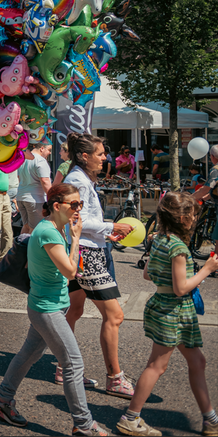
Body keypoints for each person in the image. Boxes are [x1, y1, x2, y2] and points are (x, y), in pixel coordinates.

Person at [0, 183, 110, 436]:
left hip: (48, 305)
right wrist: (75, 239)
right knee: (73, 363)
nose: (78, 209)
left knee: (28, 356)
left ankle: (1, 399)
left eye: (80, 204)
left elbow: (65, 274)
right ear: (56, 206)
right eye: (74, 204)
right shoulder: (50, 232)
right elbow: (69, 272)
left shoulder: (55, 227)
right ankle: (84, 424)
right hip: (47, 309)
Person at [115, 192, 218, 437]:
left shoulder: (160, 239)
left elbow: (147, 274)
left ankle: (210, 420)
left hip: (165, 307)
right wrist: (206, 270)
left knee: (197, 362)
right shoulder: (179, 248)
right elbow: (181, 288)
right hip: (174, 311)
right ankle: (131, 417)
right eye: (192, 214)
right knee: (157, 365)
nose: (195, 218)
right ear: (182, 217)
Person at [63, 132, 135, 398]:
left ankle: (64, 367)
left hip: (87, 249)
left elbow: (86, 221)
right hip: (87, 254)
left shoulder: (81, 179)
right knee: (114, 316)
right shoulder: (77, 180)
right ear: (85, 155)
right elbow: (75, 220)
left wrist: (106, 233)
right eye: (101, 154)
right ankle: (115, 378)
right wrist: (111, 225)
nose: (106, 158)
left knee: (74, 309)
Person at [17, 140, 53, 235]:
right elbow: (45, 181)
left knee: (26, 227)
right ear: (42, 148)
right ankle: (29, 250)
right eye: (49, 150)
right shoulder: (40, 160)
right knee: (35, 229)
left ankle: (19, 249)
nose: (49, 153)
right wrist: (53, 198)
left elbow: (19, 178)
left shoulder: (23, 158)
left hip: (21, 197)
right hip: (35, 199)